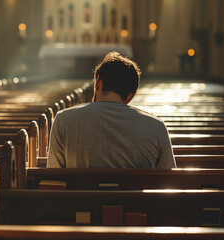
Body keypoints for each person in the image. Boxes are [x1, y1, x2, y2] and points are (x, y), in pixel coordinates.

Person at [47, 51, 176, 168]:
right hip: (133, 195)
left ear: (97, 83)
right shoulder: (156, 127)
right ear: (131, 95)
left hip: (83, 195)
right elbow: (169, 180)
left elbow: (53, 177)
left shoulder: (63, 120)